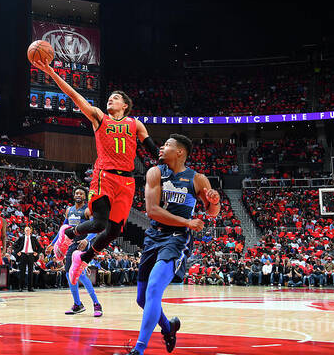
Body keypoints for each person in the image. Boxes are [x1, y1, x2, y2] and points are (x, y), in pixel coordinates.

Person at [33, 59, 157, 286]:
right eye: (110, 96)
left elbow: (152, 149)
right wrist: (50, 71)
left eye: (117, 98)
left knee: (114, 230)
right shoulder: (100, 117)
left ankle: (83, 258)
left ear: (125, 106)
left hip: (127, 181)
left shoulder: (135, 124)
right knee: (100, 223)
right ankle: (67, 235)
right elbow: (73, 95)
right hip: (104, 176)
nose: (111, 98)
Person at [126, 134, 220, 355]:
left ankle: (139, 349)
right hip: (153, 236)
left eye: (167, 145)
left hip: (177, 238)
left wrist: (215, 202)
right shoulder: (155, 172)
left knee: (154, 289)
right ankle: (168, 328)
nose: (161, 147)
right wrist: (188, 220)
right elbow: (152, 211)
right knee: (142, 299)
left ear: (180, 152)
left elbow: (212, 211)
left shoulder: (197, 179)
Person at [47, 187, 102, 317]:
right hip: (71, 245)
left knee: (81, 275)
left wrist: (87, 240)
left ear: (85, 196)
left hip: (83, 245)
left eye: (81, 193)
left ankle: (96, 304)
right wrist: (53, 243)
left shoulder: (88, 210)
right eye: (76, 193)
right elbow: (63, 229)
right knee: (68, 274)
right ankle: (77, 304)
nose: (78, 195)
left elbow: (95, 228)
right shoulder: (69, 210)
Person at [13, 226, 42, 292]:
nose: (27, 231)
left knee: (30, 272)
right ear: (24, 231)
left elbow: (40, 247)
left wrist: (37, 253)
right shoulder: (21, 238)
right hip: (23, 255)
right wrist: (17, 252)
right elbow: (14, 245)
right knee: (22, 272)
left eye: (28, 230)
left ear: (31, 231)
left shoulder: (33, 238)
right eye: (26, 230)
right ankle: (21, 287)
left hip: (31, 255)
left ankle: (30, 288)